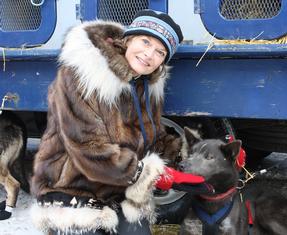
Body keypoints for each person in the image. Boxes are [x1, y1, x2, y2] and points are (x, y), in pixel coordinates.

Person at [30, 9, 213, 235]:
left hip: (119, 189)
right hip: (72, 190)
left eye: (160, 51)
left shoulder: (145, 85)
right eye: (145, 41)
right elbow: (87, 147)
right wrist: (147, 174)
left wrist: (196, 158)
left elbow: (151, 138)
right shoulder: (82, 75)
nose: (149, 54)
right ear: (127, 40)